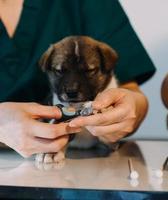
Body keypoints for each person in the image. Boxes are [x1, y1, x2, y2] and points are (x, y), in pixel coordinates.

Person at [0, 0, 156, 157]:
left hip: (89, 162)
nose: (72, 87)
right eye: (60, 71)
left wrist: (130, 109)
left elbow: (131, 92)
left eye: (88, 71)